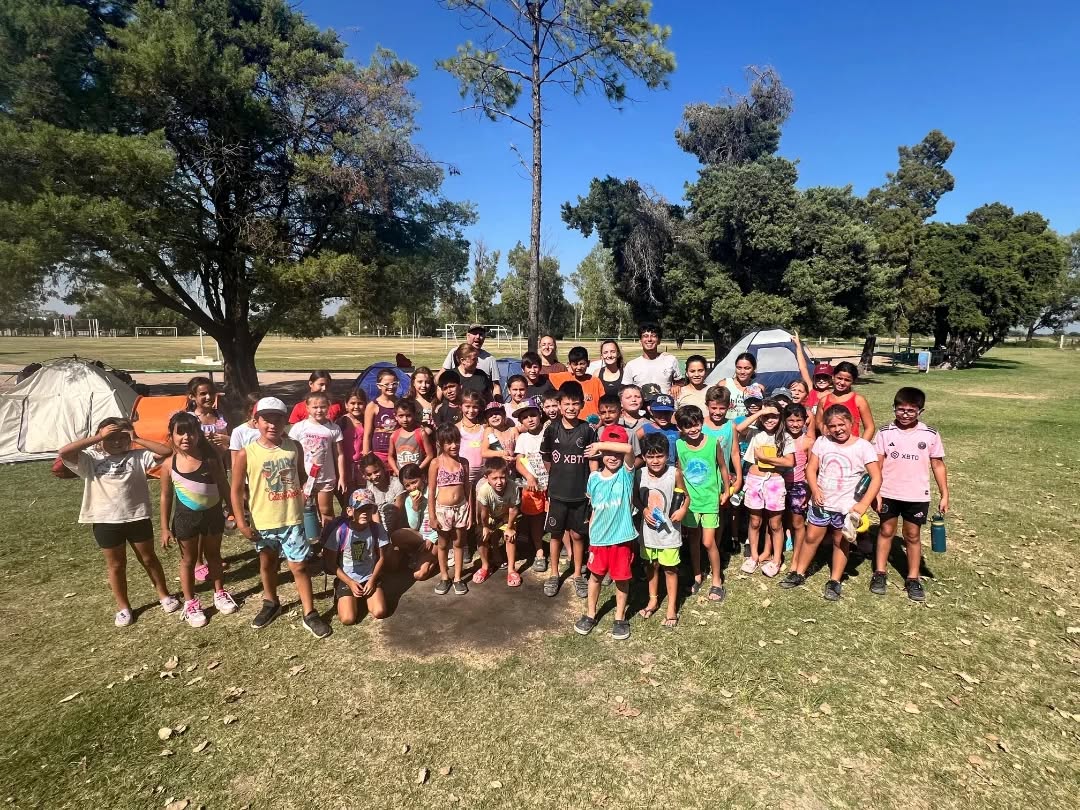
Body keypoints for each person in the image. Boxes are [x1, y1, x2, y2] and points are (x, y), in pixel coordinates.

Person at [59, 418, 180, 627]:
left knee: (149, 558)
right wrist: (99, 437)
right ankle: (123, 607)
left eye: (121, 437)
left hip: (137, 516)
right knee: (116, 565)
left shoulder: (138, 455)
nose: (116, 442)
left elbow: (167, 452)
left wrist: (137, 438)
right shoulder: (90, 459)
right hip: (106, 520)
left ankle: (164, 595)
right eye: (110, 438)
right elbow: (64, 452)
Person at [230, 397, 330, 637]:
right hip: (264, 521)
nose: (273, 424)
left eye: (278, 419)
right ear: (256, 422)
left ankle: (310, 612)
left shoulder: (293, 446)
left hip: (292, 519)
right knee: (268, 563)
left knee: (299, 566)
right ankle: (271, 602)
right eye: (267, 419)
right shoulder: (246, 453)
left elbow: (301, 476)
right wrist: (241, 522)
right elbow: (234, 490)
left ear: (286, 421)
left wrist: (306, 489)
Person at [779, 405, 881, 601]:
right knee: (811, 538)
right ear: (826, 427)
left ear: (851, 423)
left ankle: (835, 580)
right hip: (822, 503)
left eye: (841, 424)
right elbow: (811, 469)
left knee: (840, 541)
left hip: (847, 506)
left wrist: (863, 505)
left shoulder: (863, 447)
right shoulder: (822, 442)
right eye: (832, 426)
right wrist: (815, 490)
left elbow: (876, 478)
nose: (837, 429)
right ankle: (799, 572)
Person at [159, 412, 238, 627]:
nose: (186, 437)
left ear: (198, 434)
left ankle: (219, 592)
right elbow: (166, 497)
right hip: (186, 519)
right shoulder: (169, 464)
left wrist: (234, 511)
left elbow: (223, 485)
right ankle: (191, 602)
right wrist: (164, 528)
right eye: (180, 432)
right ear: (172, 435)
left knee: (214, 555)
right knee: (188, 560)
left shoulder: (211, 458)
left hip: (212, 516)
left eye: (191, 432)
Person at [871, 387, 949, 602]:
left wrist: (945, 494)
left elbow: (938, 465)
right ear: (894, 408)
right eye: (900, 409)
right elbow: (876, 464)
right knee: (886, 530)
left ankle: (913, 577)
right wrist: (875, 492)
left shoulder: (930, 435)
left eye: (911, 410)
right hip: (888, 492)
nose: (905, 414)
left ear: (920, 411)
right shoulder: (885, 433)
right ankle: (879, 572)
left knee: (912, 535)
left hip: (916, 495)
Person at [572, 425, 636, 640]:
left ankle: (619, 617)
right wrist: (591, 536)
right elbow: (594, 509)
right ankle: (591, 614)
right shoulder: (594, 479)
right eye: (609, 453)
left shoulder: (627, 475)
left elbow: (628, 449)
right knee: (595, 577)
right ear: (601, 456)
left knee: (621, 579)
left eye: (616, 454)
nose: (613, 457)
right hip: (598, 539)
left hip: (622, 538)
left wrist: (599, 445)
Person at [540, 382, 598, 598]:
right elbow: (546, 457)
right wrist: (555, 476)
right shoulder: (552, 429)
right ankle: (554, 574)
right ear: (559, 405)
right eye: (567, 404)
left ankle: (577, 574)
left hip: (580, 494)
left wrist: (592, 484)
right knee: (556, 535)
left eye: (575, 403)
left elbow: (592, 460)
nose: (571, 407)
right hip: (557, 493)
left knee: (577, 535)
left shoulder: (587, 430)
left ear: (582, 405)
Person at [674, 405, 731, 600]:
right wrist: (681, 496)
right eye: (687, 426)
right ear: (681, 428)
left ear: (701, 423)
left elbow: (723, 467)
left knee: (708, 541)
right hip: (691, 502)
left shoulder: (712, 442)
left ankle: (717, 580)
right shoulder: (679, 445)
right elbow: (679, 471)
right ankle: (697, 575)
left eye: (696, 425)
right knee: (693, 539)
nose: (693, 429)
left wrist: (726, 490)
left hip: (709, 500)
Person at [636, 431, 690, 628]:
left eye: (659, 456)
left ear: (668, 455)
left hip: (669, 534)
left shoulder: (674, 473)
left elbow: (686, 496)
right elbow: (635, 497)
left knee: (670, 568)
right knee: (650, 565)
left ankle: (671, 608)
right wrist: (643, 510)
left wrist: (683, 510)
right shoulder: (639, 474)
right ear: (643, 457)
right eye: (650, 456)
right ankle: (653, 599)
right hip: (648, 533)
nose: (655, 460)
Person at [738, 401, 792, 578]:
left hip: (775, 482)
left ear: (781, 417)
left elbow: (789, 461)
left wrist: (765, 459)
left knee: (775, 523)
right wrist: (761, 411)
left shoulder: (785, 436)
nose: (770, 420)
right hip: (754, 480)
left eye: (774, 416)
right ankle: (754, 556)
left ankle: (776, 559)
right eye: (766, 416)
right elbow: (739, 428)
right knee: (755, 521)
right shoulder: (755, 432)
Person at [321, 489, 389, 625]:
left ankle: (367, 595)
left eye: (368, 508)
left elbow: (381, 558)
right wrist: (350, 583)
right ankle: (342, 591)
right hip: (348, 578)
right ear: (350, 511)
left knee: (380, 612)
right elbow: (331, 563)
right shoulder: (340, 531)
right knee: (348, 619)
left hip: (369, 576)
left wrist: (372, 580)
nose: (364, 513)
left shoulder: (377, 529)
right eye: (360, 509)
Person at [289, 391, 347, 530]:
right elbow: (291, 452)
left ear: (328, 407)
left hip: (325, 478)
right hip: (304, 478)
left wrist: (342, 477)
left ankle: (329, 542)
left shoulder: (333, 428)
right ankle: (305, 543)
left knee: (326, 511)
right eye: (315, 407)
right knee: (302, 511)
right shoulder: (299, 428)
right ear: (307, 408)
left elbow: (340, 454)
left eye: (322, 406)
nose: (319, 410)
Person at [428, 423, 473, 596]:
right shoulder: (435, 463)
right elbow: (431, 491)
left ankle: (458, 578)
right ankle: (445, 576)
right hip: (442, 510)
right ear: (440, 444)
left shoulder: (464, 463)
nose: (454, 445)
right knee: (443, 544)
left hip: (461, 509)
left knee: (459, 543)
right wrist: (432, 516)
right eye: (449, 442)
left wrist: (470, 511)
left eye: (456, 441)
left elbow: (468, 488)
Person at [514, 401, 550, 574]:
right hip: (532, 486)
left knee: (556, 516)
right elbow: (519, 461)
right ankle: (539, 551)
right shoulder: (522, 438)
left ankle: (567, 551)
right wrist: (529, 477)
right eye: (524, 417)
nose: (530, 419)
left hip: (553, 483)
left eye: (533, 415)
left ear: (540, 414)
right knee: (535, 519)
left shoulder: (549, 432)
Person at [474, 458, 521, 586]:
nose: (499, 482)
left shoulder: (513, 487)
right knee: (481, 535)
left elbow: (513, 509)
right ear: (486, 477)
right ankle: (485, 566)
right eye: (494, 478)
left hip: (506, 516)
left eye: (502, 477)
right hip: (490, 515)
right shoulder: (484, 490)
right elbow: (483, 512)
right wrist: (485, 527)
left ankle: (511, 569)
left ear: (507, 475)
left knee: (510, 536)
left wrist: (510, 527)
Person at [781, 404, 814, 566]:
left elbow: (812, 468)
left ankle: (796, 558)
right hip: (779, 483)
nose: (795, 424)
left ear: (805, 421)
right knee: (779, 519)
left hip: (799, 485)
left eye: (798, 420)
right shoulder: (779, 438)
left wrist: (808, 491)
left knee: (797, 522)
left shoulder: (808, 442)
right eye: (791, 420)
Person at [394, 463, 440, 582]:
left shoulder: (434, 492)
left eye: (414, 482)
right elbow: (413, 526)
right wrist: (415, 508)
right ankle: (419, 554)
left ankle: (435, 558)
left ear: (423, 478)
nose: (412, 488)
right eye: (407, 485)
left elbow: (443, 518)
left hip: (438, 537)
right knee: (396, 536)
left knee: (419, 575)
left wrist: (432, 538)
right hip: (421, 536)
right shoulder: (409, 500)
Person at [814, 361, 875, 440]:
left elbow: (870, 427)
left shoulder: (858, 400)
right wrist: (822, 427)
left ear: (853, 381)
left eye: (847, 380)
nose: (842, 382)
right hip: (829, 446)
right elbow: (817, 422)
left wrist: (860, 447)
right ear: (833, 376)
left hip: (851, 448)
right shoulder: (824, 401)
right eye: (839, 378)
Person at [621, 322, 685, 397]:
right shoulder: (631, 365)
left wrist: (676, 386)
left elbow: (680, 381)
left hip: (665, 406)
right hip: (641, 407)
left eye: (653, 336)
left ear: (659, 340)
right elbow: (625, 390)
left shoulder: (670, 360)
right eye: (645, 336)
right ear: (640, 341)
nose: (649, 339)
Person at [440, 324, 501, 398]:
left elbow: (496, 386)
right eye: (475, 333)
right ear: (467, 336)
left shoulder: (490, 359)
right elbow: (441, 378)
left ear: (484, 337)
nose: (478, 337)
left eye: (481, 334)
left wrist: (498, 403)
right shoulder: (455, 352)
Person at [549, 346, 605, 421]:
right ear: (569, 365)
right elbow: (543, 376)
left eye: (582, 364)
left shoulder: (595, 381)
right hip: (572, 425)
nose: (578, 367)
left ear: (588, 363)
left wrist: (600, 420)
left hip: (593, 425)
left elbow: (603, 405)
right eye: (575, 364)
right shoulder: (564, 378)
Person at [360, 454, 406, 534]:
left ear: (383, 468)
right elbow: (375, 514)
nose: (374, 477)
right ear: (364, 476)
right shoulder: (369, 489)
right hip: (381, 529)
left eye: (376, 471)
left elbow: (398, 513)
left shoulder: (397, 484)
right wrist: (381, 536)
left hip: (398, 527)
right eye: (369, 474)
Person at [388, 399, 433, 477]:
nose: (405, 419)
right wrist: (397, 471)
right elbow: (390, 456)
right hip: (402, 477)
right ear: (396, 416)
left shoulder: (421, 433)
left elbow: (430, 455)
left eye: (408, 415)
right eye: (401, 416)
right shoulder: (394, 436)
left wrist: (418, 470)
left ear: (414, 415)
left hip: (418, 476)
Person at [713, 353, 766, 418]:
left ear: (753, 369)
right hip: (728, 426)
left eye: (747, 368)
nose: (742, 372)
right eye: (739, 368)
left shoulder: (758, 388)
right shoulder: (724, 384)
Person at [363, 368, 398, 464]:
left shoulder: (400, 404)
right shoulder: (373, 406)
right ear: (379, 386)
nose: (391, 387)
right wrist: (366, 458)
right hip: (378, 455)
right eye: (387, 384)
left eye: (394, 383)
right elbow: (367, 434)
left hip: (397, 453)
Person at [338, 388, 368, 494]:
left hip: (364, 466)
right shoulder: (342, 422)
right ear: (346, 405)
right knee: (348, 498)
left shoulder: (368, 421)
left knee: (363, 496)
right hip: (346, 466)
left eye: (360, 403)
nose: (356, 406)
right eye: (352, 403)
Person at [638, 394, 680, 466]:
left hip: (672, 470)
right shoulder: (644, 430)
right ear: (651, 411)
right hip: (652, 469)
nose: (663, 416)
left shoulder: (677, 430)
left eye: (667, 412)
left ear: (672, 412)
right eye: (658, 412)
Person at [456, 391, 487, 488]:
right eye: (467, 406)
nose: (471, 410)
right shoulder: (457, 428)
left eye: (475, 407)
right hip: (464, 471)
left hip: (483, 472)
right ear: (460, 407)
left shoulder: (484, 427)